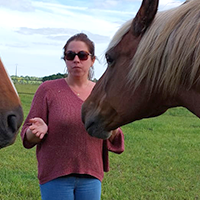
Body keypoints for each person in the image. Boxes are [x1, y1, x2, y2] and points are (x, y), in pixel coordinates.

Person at [21, 33, 124, 200]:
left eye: (82, 55)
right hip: (55, 175)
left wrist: (112, 129)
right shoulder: (48, 90)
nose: (76, 60)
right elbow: (27, 136)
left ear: (92, 60)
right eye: (70, 55)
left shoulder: (102, 92)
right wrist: (36, 132)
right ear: (65, 59)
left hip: (91, 175)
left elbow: (115, 137)